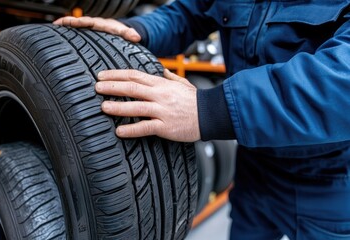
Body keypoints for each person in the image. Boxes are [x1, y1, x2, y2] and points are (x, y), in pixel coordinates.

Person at [54, 1, 350, 239]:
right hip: (254, 171)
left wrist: (207, 109)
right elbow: (191, 12)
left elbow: (342, 82)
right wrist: (138, 29)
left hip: (328, 183)